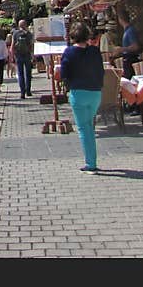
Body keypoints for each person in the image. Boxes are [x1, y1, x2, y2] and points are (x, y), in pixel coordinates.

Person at [60, 21, 105, 174]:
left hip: (78, 92)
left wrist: (68, 87)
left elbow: (64, 74)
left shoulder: (68, 52)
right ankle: (91, 160)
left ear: (73, 36)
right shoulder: (95, 51)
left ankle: (91, 163)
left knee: (84, 129)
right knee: (89, 126)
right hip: (95, 93)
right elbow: (101, 71)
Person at [114, 10, 142, 80]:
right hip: (127, 60)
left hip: (131, 60)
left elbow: (135, 47)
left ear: (120, 19)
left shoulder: (130, 31)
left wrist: (121, 49)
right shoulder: (127, 31)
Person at [11, 20, 35, 98]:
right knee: (28, 73)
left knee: (20, 73)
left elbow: (12, 45)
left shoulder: (15, 33)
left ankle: (22, 92)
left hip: (18, 55)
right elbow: (31, 45)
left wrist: (12, 56)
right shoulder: (29, 34)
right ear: (26, 25)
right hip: (27, 55)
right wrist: (33, 55)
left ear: (19, 25)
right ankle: (28, 91)